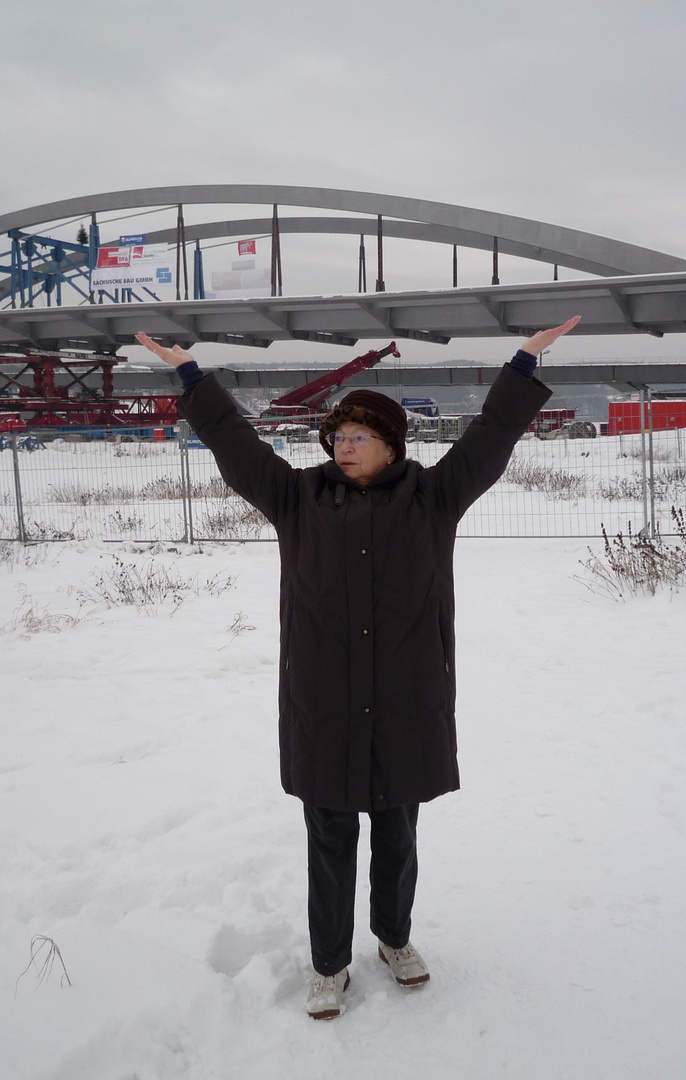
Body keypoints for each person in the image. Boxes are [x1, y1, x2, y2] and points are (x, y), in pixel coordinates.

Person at [135, 317, 581, 1020]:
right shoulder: (299, 500)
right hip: (326, 701)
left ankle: (395, 940)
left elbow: (491, 441)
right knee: (331, 834)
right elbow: (236, 445)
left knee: (398, 834)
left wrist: (523, 364)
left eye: (357, 437)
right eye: (336, 438)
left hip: (406, 698)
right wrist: (190, 373)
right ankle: (329, 964)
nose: (342, 447)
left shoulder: (433, 498)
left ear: (391, 444)